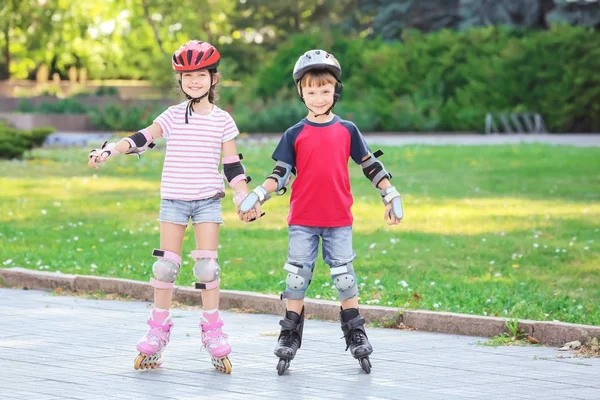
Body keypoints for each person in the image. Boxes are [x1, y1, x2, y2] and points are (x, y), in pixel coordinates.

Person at [88, 40, 258, 374]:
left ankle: (212, 331)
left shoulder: (223, 120)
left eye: (201, 74)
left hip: (208, 200)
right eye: (187, 75)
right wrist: (110, 150)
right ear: (179, 80)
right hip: (174, 200)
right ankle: (157, 329)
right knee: (165, 268)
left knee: (207, 268)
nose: (194, 81)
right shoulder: (171, 116)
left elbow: (232, 166)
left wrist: (243, 197)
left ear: (214, 77)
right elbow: (142, 137)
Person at [239, 49, 403, 375]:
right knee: (296, 277)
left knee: (344, 278)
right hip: (303, 219)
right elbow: (280, 174)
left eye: (324, 91)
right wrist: (259, 193)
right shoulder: (294, 134)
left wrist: (389, 192)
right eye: (311, 91)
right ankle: (289, 334)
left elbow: (370, 165)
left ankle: (356, 333)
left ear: (335, 92)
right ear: (301, 92)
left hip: (338, 218)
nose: (318, 97)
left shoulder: (347, 130)